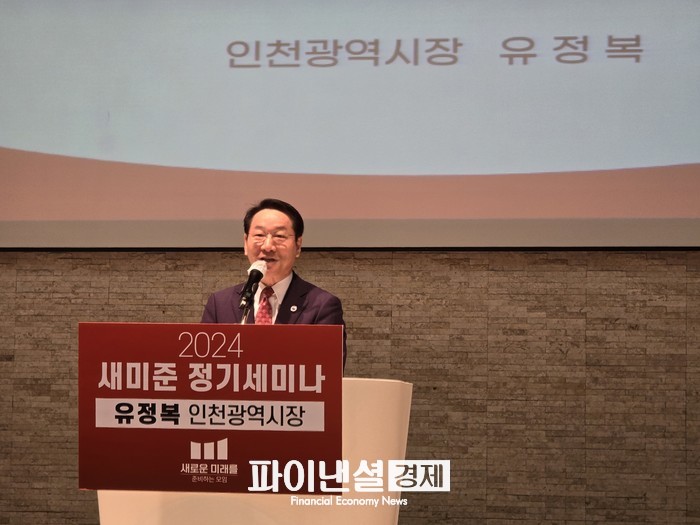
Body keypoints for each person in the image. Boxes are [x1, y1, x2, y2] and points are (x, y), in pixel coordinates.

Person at [201, 198, 347, 367]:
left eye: (279, 236)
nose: (268, 246)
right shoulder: (220, 303)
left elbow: (328, 371)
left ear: (298, 245)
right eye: (259, 235)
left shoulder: (322, 305)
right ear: (245, 243)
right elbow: (204, 366)